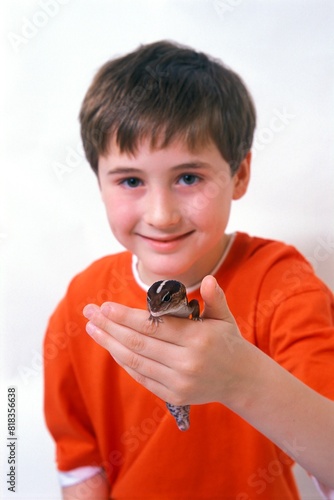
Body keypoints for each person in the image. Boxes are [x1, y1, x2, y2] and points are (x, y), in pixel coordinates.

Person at [44, 40, 334, 499]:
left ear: (238, 175)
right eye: (131, 180)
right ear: (98, 182)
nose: (161, 214)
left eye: (188, 177)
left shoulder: (283, 283)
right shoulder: (85, 301)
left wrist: (242, 380)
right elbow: (80, 464)